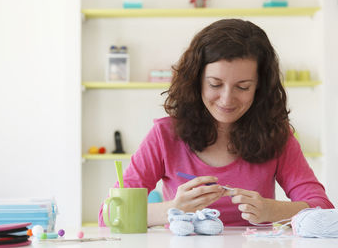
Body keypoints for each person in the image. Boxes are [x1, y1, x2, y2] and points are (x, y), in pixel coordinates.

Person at [98, 18, 334, 227]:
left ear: (260, 88)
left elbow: (323, 210)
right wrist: (172, 209)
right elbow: (108, 215)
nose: (226, 99)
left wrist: (272, 211)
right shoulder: (164, 135)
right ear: (196, 80)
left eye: (243, 87)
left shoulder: (277, 135)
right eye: (215, 84)